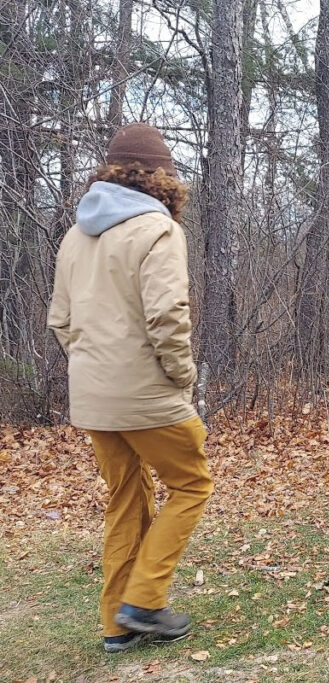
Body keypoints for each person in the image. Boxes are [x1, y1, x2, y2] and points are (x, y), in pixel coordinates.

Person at [47, 124, 213, 653]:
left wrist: (94, 367)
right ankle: (144, 599)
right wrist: (182, 375)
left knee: (126, 497)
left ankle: (117, 625)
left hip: (93, 399)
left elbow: (61, 320)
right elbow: (168, 316)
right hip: (147, 394)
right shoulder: (157, 230)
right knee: (191, 485)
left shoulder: (76, 234)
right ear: (161, 178)